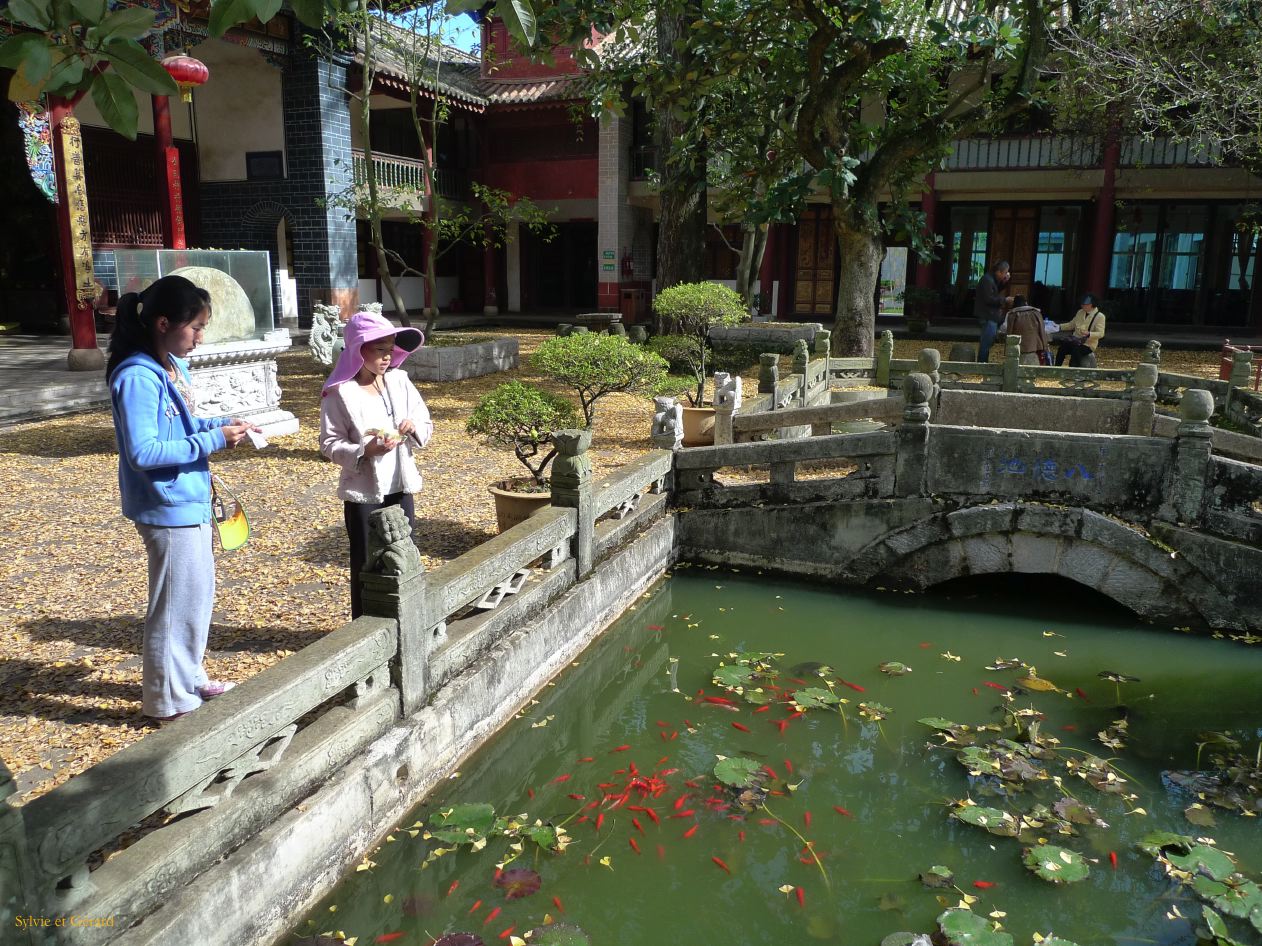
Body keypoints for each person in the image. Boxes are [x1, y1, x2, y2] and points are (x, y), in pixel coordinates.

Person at [107, 274, 259, 723]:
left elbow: (183, 426)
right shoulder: (137, 376)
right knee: (173, 603)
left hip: (188, 496)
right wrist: (212, 442)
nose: (199, 337)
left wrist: (222, 424)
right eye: (194, 327)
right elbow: (143, 452)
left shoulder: (173, 366)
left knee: (195, 596)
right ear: (161, 322)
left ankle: (189, 676)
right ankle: (167, 701)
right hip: (165, 503)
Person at [320, 310, 433, 618]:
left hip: (400, 483)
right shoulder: (339, 393)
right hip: (364, 491)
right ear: (359, 350)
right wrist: (363, 451)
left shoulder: (399, 381)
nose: (387, 357)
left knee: (402, 554)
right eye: (379, 350)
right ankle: (364, 628)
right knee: (366, 561)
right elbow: (329, 444)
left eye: (391, 349)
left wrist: (413, 428)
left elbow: (424, 420)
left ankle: (405, 619)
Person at [974, 260, 1013, 362]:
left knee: (989, 341)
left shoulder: (991, 279)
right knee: (986, 342)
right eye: (1005, 273)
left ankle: (983, 363)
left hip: (990, 315)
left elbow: (995, 290)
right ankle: (982, 364)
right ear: (999, 272)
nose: (1005, 275)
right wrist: (1005, 300)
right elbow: (989, 299)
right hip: (987, 315)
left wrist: (1004, 282)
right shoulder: (987, 280)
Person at [1056, 294, 1107, 367]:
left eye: (1085, 304)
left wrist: (1089, 334)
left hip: (1088, 344)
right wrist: (1058, 327)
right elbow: (1071, 324)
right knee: (1062, 348)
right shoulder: (1080, 312)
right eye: (1082, 304)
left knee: (1076, 351)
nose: (1082, 306)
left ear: (1091, 305)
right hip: (1075, 341)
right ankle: (1056, 368)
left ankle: (1073, 372)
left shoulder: (1100, 316)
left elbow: (1101, 333)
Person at [998, 294, 1050, 365]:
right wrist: (1045, 347)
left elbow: (1005, 329)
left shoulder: (1011, 314)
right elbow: (1042, 330)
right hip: (1034, 347)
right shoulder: (1036, 313)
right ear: (1026, 302)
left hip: (1017, 348)